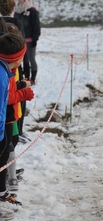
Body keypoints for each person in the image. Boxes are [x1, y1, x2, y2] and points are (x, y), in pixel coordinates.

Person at [0, 18, 34, 207]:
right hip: (6, 120)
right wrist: (24, 92)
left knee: (8, 147)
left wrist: (22, 85)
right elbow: (8, 96)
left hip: (10, 118)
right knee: (6, 150)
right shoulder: (4, 73)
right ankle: (7, 183)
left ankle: (7, 181)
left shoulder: (6, 70)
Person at [14, 0, 40, 85]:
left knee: (31, 59)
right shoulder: (17, 10)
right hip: (19, 40)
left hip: (30, 40)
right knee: (21, 60)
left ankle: (33, 78)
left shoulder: (32, 11)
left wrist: (35, 39)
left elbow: (36, 26)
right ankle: (23, 77)